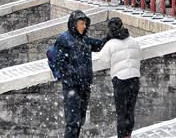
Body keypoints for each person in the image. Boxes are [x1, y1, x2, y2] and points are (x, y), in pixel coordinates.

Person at [49, 10, 107, 138]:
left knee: (80, 120)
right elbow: (58, 60)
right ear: (74, 24)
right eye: (81, 23)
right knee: (72, 122)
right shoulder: (64, 39)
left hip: (85, 86)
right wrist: (70, 73)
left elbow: (98, 45)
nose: (84, 26)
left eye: (85, 24)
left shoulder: (84, 39)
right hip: (72, 86)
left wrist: (110, 37)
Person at [97, 17, 141, 138]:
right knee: (130, 110)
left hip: (120, 79)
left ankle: (122, 136)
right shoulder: (133, 41)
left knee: (121, 113)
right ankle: (128, 134)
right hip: (134, 78)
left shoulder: (110, 44)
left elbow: (103, 60)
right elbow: (139, 55)